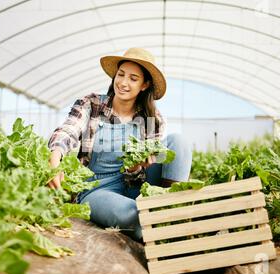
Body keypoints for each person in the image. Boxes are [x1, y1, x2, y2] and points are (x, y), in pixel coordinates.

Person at [47, 48, 192, 241]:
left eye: (133, 78)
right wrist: (56, 154)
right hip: (97, 188)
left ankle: (174, 208)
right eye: (120, 75)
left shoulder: (152, 119)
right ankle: (158, 227)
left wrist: (136, 167)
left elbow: (144, 172)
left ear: (144, 85)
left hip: (135, 183)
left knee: (178, 142)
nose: (123, 82)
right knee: (135, 215)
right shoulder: (92, 104)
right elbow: (70, 129)